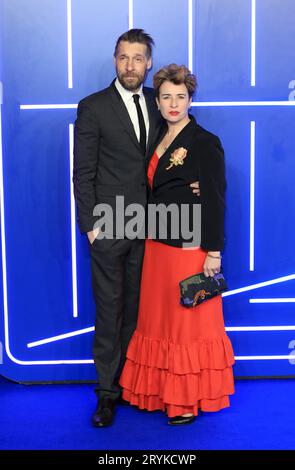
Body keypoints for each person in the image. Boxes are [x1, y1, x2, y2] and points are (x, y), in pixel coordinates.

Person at [73, 30, 200, 427]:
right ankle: (107, 395)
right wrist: (91, 226)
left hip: (153, 230)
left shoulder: (158, 101)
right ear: (115, 61)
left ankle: (133, 386)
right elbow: (83, 173)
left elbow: (176, 155)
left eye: (139, 58)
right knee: (109, 312)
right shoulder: (93, 107)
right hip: (109, 228)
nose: (131, 65)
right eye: (124, 57)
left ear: (148, 64)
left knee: (140, 313)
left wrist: (196, 184)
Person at [119, 64, 235, 425]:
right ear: (158, 102)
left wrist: (213, 252)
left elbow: (215, 198)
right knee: (159, 325)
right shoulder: (157, 138)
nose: (173, 104)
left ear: (190, 99)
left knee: (188, 326)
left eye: (180, 97)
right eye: (166, 96)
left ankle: (184, 401)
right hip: (156, 247)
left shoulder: (204, 142)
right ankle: (157, 394)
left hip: (190, 250)